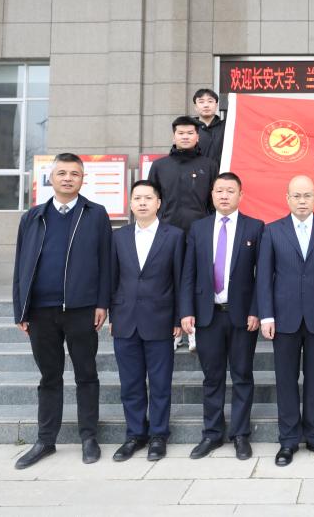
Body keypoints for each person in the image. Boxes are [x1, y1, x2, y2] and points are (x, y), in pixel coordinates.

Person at [11, 153, 111, 469]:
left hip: (81, 309)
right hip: (40, 311)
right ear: (50, 178)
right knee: (49, 376)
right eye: (62, 173)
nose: (68, 178)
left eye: (74, 174)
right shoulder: (33, 217)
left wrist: (102, 303)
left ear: (83, 179)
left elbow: (106, 262)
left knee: (86, 374)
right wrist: (20, 309)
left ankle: (88, 437)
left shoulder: (95, 214)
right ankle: (45, 440)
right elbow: (20, 266)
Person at [257, 175, 314, 466]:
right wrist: (266, 315)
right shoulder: (272, 231)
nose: (302, 201)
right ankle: (288, 440)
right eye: (297, 196)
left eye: (307, 195)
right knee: (286, 380)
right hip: (284, 319)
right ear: (287, 198)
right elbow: (264, 278)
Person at [179, 172, 265, 461]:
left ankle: (240, 434)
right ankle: (212, 433)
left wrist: (256, 310)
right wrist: (186, 310)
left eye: (230, 191)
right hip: (208, 316)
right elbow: (188, 273)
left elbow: (262, 275)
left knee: (242, 375)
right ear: (212, 195)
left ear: (241, 195)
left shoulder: (255, 227)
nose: (224, 195)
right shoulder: (199, 228)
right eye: (219, 191)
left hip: (242, 316)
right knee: (212, 377)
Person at [108, 180, 185, 462]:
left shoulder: (174, 236)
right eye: (137, 198)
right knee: (130, 383)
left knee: (160, 383)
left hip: (161, 319)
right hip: (125, 320)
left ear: (158, 203)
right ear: (130, 203)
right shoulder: (119, 236)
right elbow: (112, 278)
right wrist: (113, 314)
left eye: (148, 198)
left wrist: (178, 317)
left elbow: (180, 280)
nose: (142, 203)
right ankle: (135, 434)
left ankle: (158, 436)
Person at [148, 115, 219, 353]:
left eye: (190, 133)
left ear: (197, 136)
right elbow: (152, 199)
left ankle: (194, 332)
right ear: (174, 136)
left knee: (198, 281)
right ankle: (173, 330)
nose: (185, 137)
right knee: (169, 281)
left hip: (199, 234)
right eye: (181, 133)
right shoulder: (160, 166)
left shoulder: (209, 165)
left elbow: (214, 202)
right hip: (167, 234)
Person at [192, 88, 226, 166]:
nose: (206, 105)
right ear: (195, 107)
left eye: (210, 101)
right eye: (201, 102)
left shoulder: (227, 127)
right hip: (195, 172)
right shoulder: (189, 128)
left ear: (216, 105)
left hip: (222, 172)